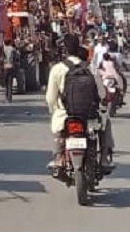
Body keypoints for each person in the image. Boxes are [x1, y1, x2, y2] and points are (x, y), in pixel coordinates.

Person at [46, 35, 111, 170]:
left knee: (58, 130)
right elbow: (102, 94)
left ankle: (58, 157)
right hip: (90, 115)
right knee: (105, 122)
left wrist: (55, 110)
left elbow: (51, 98)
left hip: (65, 115)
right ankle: (104, 158)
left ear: (65, 49)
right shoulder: (90, 68)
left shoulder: (57, 69)